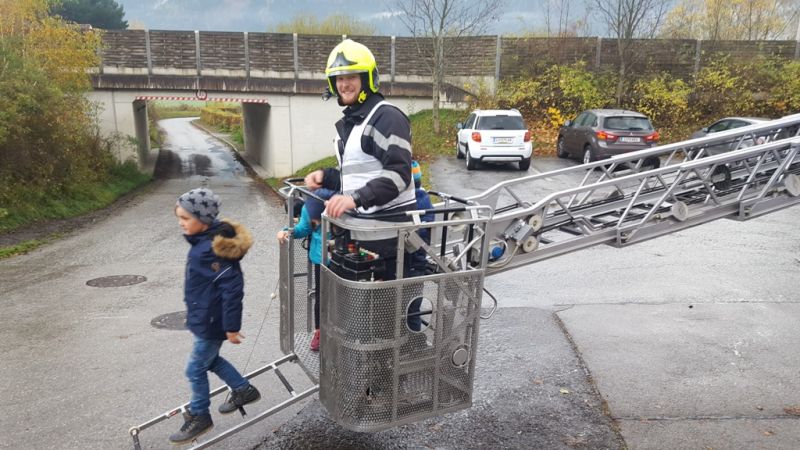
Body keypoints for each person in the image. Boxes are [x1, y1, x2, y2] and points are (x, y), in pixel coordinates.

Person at [304, 39, 416, 281]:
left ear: (367, 79)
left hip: (389, 243)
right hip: (360, 237)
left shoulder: (386, 118)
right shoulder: (355, 122)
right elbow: (357, 176)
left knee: (391, 306)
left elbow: (399, 174)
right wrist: (326, 176)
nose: (344, 84)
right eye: (339, 78)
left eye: (351, 77)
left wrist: (354, 199)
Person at [169, 188, 260, 444]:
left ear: (204, 220)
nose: (181, 223)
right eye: (179, 217)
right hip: (205, 318)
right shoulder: (204, 243)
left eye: (185, 218)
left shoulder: (211, 250)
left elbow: (233, 289)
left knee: (194, 369)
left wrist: (231, 326)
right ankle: (243, 389)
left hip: (212, 322)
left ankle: (200, 415)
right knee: (209, 361)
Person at [277, 188, 335, 352]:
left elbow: (303, 228)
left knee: (323, 297)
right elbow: (305, 227)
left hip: (323, 258)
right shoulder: (344, 199)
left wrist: (286, 231)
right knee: (331, 298)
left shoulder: (313, 204)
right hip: (334, 258)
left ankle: (321, 334)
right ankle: (326, 333)